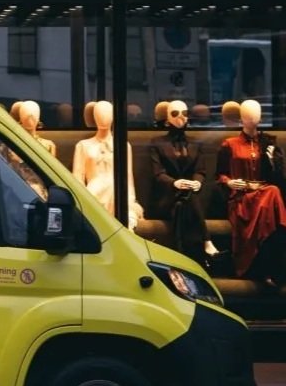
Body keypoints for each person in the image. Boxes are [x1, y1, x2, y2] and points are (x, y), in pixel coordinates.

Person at [216, 99, 286, 288]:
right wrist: (229, 182)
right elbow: (220, 174)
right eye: (248, 115)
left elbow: (278, 176)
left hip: (263, 193)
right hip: (242, 196)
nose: (253, 119)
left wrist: (272, 160)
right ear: (242, 118)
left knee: (272, 191)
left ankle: (267, 266)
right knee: (272, 198)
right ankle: (265, 268)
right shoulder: (230, 144)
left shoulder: (268, 142)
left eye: (256, 115)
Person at [148, 99, 219, 267]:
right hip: (166, 197)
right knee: (185, 198)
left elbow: (200, 171)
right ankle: (206, 242)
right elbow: (158, 174)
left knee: (183, 203)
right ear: (167, 119)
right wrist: (175, 183)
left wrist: (197, 183)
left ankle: (180, 256)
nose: (180, 117)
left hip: (187, 199)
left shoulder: (195, 142)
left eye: (184, 113)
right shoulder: (157, 142)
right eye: (175, 113)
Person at [72, 100, 143, 230]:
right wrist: (83, 201)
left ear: (113, 116)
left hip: (117, 193)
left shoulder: (123, 145)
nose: (103, 117)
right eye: (99, 114)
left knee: (122, 204)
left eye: (106, 113)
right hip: (93, 193)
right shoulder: (83, 145)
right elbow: (77, 178)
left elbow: (127, 178)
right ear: (94, 117)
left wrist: (131, 201)